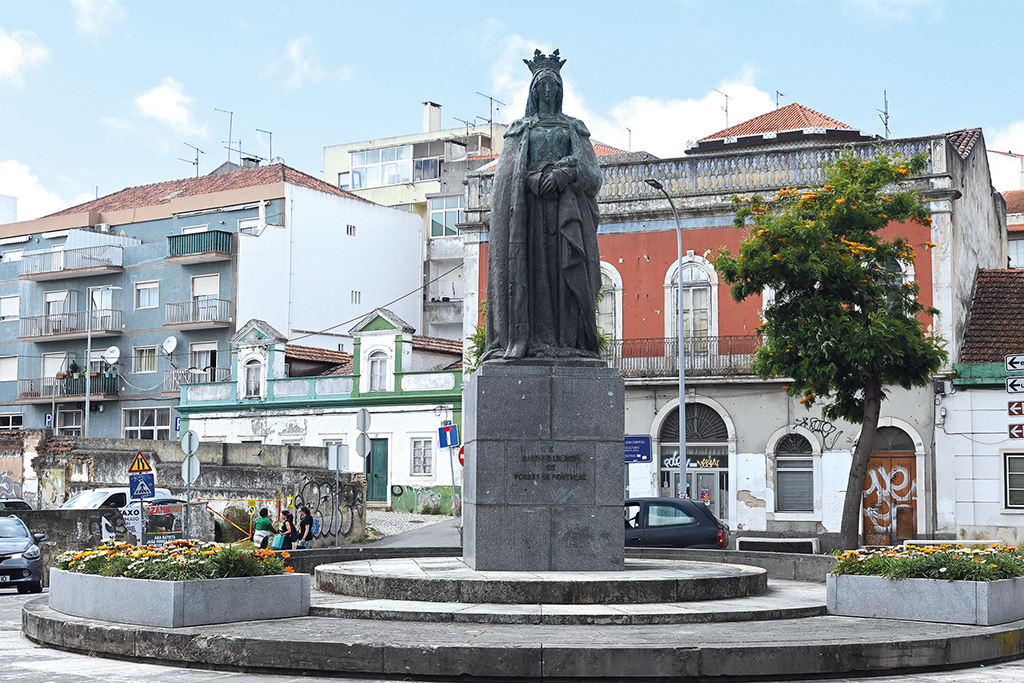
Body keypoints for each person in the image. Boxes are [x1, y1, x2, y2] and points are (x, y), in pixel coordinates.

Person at [483, 49, 603, 361]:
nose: (548, 90)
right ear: (534, 90)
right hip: (529, 219)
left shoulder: (573, 128)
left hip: (566, 215)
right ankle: (532, 338)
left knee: (565, 277)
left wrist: (565, 174)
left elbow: (592, 174)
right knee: (532, 276)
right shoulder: (521, 130)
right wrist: (534, 179)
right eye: (543, 85)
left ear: (560, 90)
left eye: (553, 85)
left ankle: (566, 341)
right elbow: (506, 180)